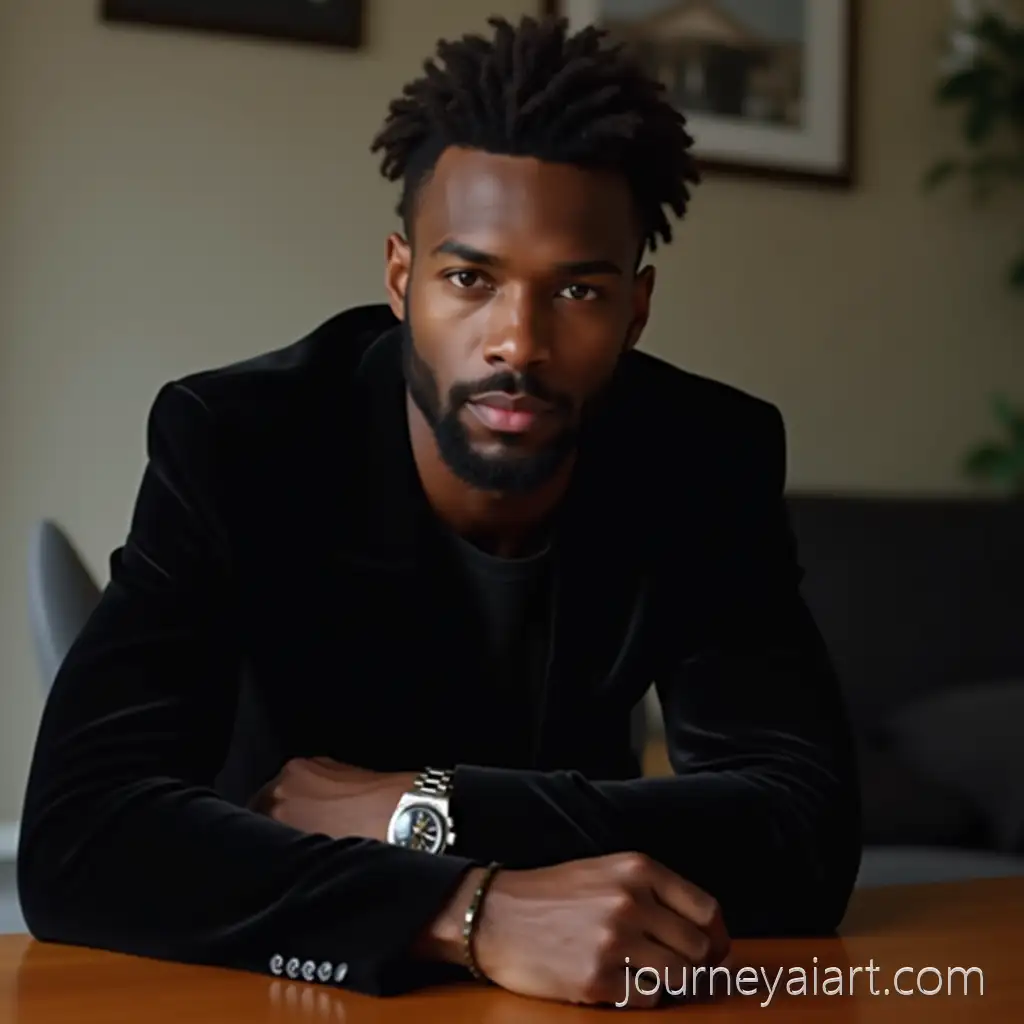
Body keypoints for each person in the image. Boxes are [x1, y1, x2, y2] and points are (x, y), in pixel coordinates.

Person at [16, 13, 861, 1010]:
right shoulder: (238, 442)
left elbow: (803, 832)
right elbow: (83, 837)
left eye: (578, 291)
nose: (518, 341)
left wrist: (422, 808)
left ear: (635, 311)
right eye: (470, 278)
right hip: (280, 984)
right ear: (400, 278)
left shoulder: (702, 455)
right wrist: (470, 910)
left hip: (569, 989)